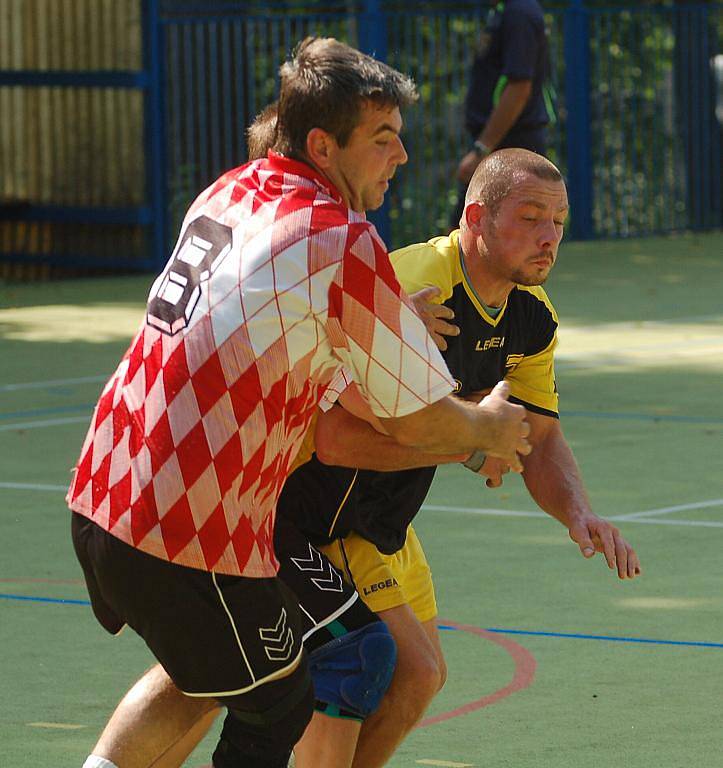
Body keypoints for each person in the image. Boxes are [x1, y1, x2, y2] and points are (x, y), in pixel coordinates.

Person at [79, 147, 641, 768]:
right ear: (476, 216)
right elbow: (337, 438)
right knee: (336, 664)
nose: (550, 236)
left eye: (558, 221)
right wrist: (470, 442)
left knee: (404, 676)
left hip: (373, 520)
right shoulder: (409, 279)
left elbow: (539, 437)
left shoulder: (533, 318)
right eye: (532, 216)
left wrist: (578, 513)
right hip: (294, 507)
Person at [69, 37, 532, 768]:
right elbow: (413, 419)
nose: (401, 157)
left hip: (105, 490)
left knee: (217, 675)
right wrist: (487, 430)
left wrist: (379, 332)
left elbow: (269, 338)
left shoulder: (233, 189)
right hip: (189, 524)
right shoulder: (340, 239)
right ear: (323, 145)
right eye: (382, 140)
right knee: (283, 696)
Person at [451, 0, 554, 227]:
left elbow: (519, 87)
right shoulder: (505, 11)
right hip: (501, 142)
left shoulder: (520, 13)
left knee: (471, 233)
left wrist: (482, 148)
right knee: (471, 233)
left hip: (510, 144)